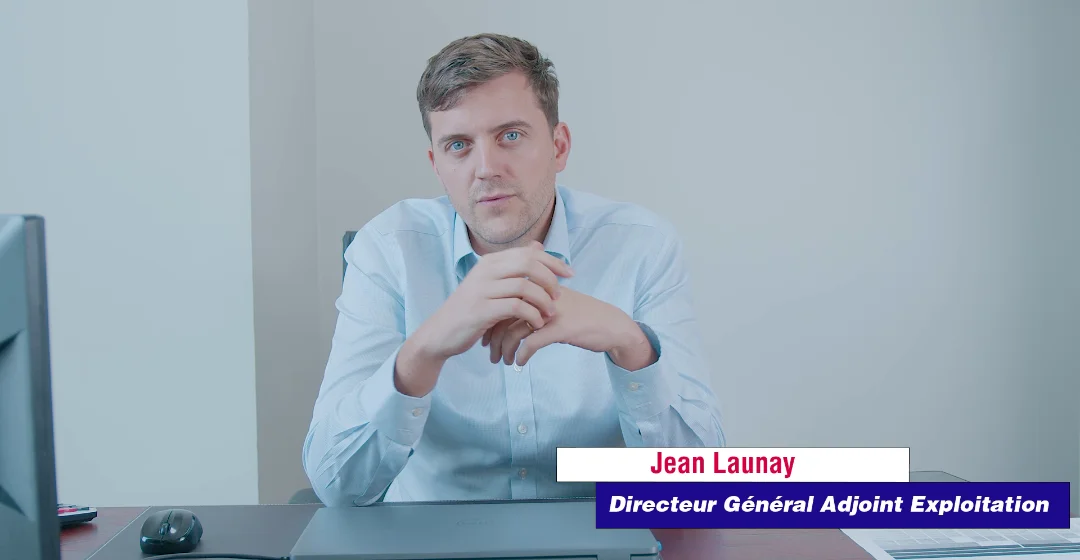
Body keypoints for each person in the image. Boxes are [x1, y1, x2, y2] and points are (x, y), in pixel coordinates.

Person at [302, 33, 725, 507]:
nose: (486, 168)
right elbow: (338, 487)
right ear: (437, 165)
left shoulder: (641, 246)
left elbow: (701, 488)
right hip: (436, 537)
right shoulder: (387, 250)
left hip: (597, 530)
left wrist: (630, 343)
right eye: (459, 145)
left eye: (511, 136)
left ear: (559, 147)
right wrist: (424, 349)